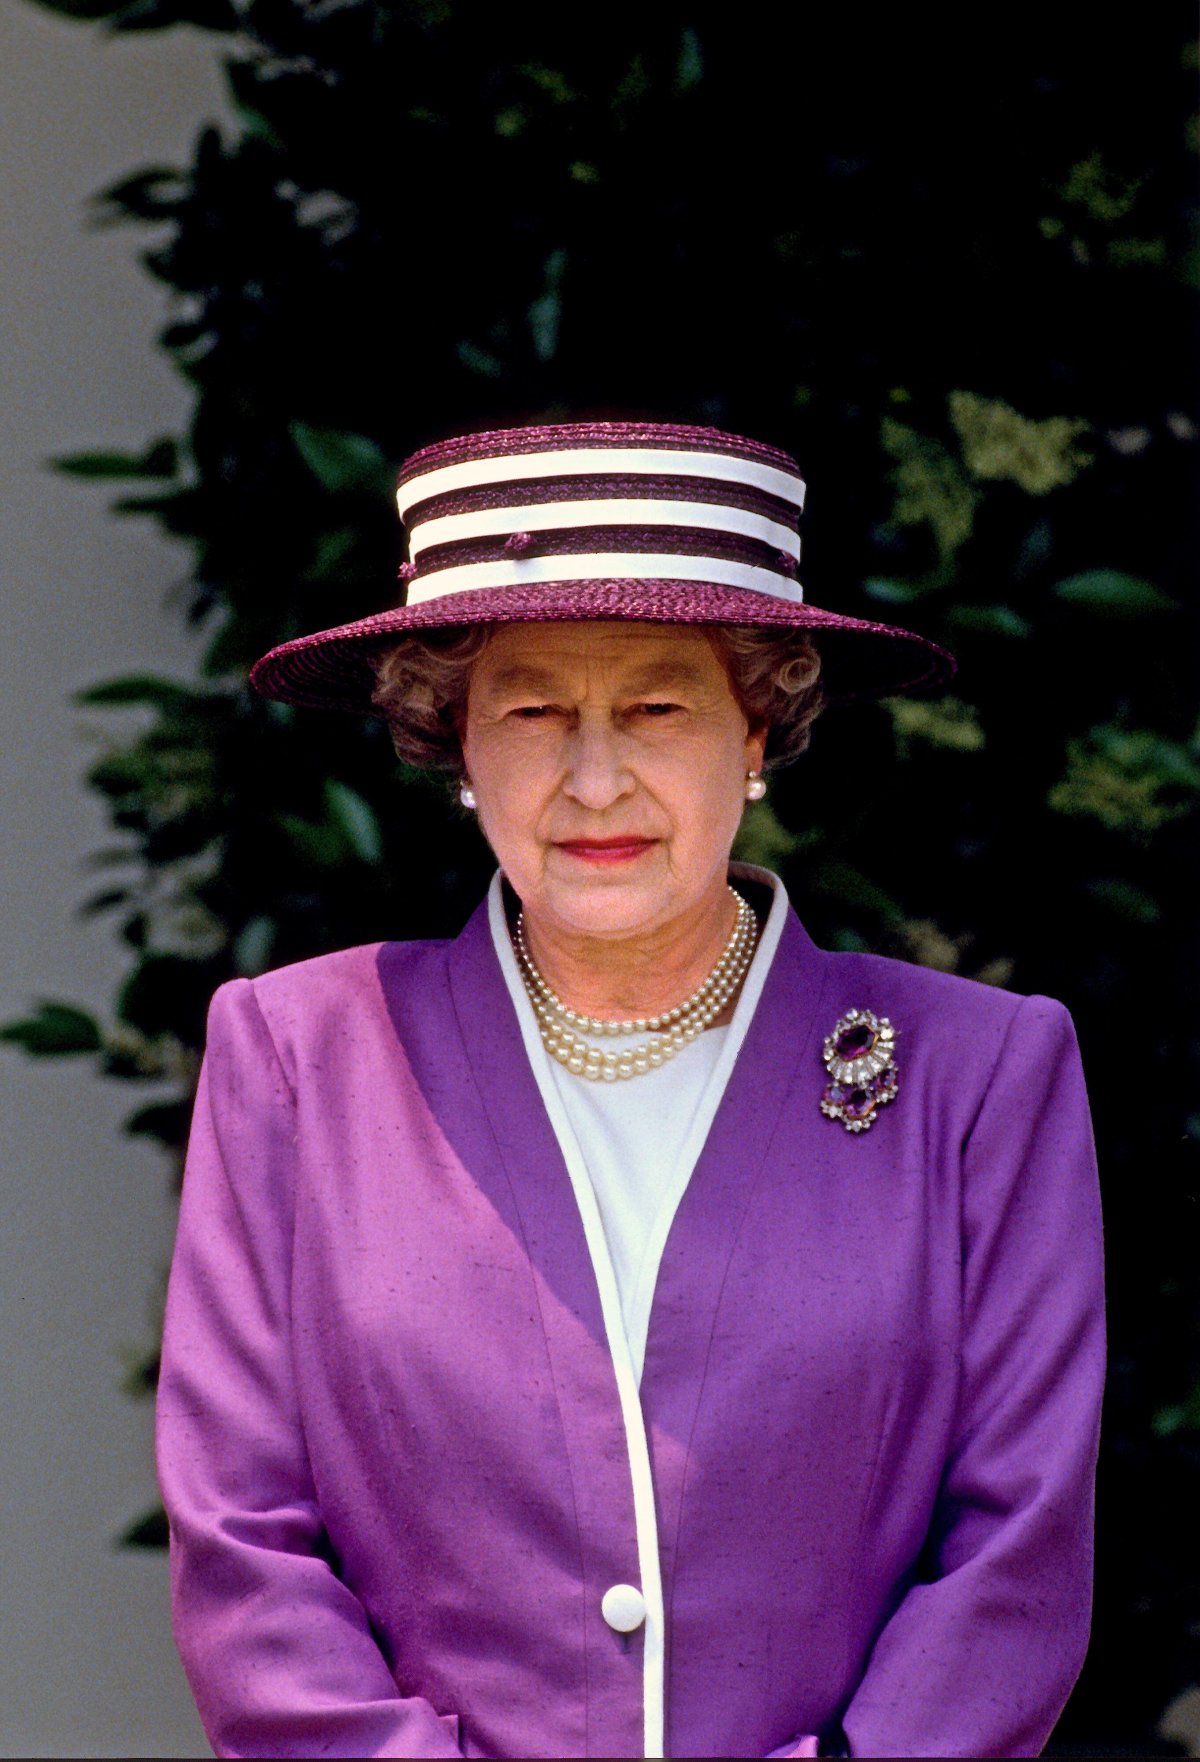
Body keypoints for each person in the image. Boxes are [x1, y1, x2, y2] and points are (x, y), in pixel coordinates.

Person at [156, 420, 1105, 1760]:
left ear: (759, 724)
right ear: (455, 739)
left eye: (659, 709)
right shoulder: (297, 1058)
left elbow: (1015, 1558)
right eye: (532, 711)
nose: (594, 781)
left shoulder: (980, 1076)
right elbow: (246, 1548)